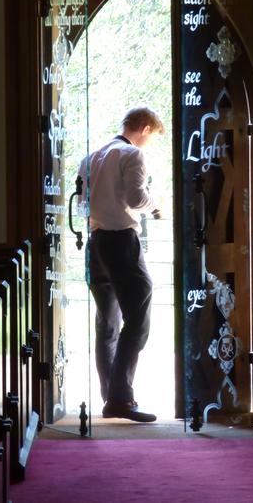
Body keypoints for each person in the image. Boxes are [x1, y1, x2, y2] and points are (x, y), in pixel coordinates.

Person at [79, 106, 164, 422]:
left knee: (108, 322)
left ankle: (110, 395)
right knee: (138, 319)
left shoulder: (93, 157)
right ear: (144, 128)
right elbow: (136, 197)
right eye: (152, 136)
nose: (148, 143)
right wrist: (157, 207)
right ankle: (121, 398)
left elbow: (83, 200)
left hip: (96, 241)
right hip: (121, 242)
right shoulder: (132, 155)